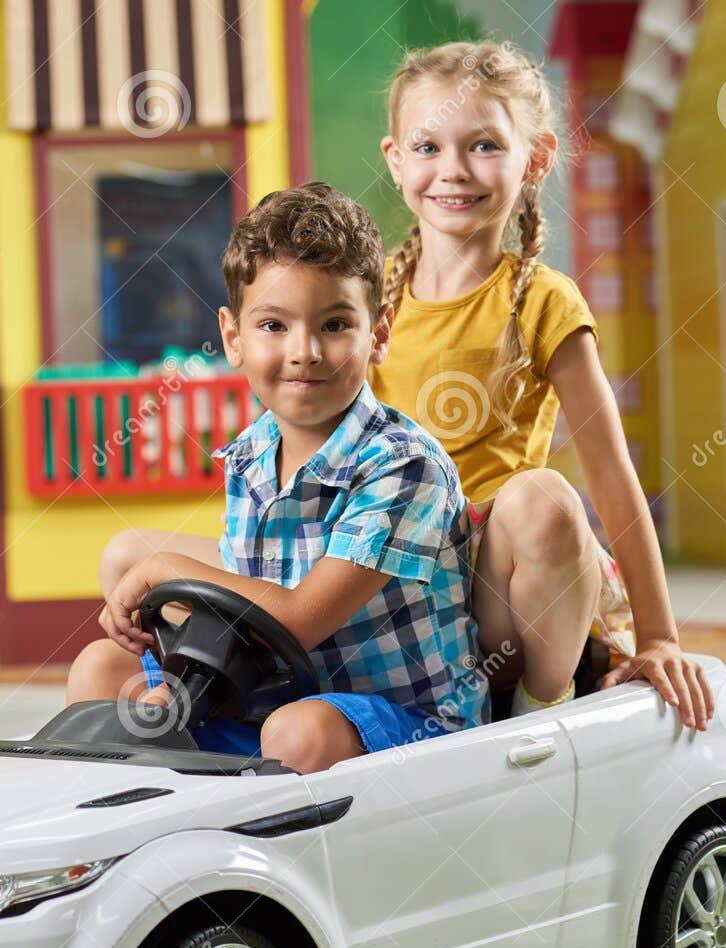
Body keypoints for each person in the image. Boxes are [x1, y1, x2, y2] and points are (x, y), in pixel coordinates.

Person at [102, 41, 715, 732]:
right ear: (396, 160)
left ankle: (540, 711)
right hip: (360, 554)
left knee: (542, 498)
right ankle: (223, 694)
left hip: (484, 583)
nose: (452, 170)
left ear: (536, 159)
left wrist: (661, 635)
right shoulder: (361, 295)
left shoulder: (541, 300)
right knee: (129, 554)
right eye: (428, 147)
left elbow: (611, 477)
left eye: (484, 145)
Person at [66, 182, 485, 773]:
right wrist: (173, 670)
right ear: (233, 338)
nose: (304, 351)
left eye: (336, 324)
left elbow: (295, 619)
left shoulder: (404, 465)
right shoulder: (252, 455)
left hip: (405, 718)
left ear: (379, 334)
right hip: (273, 699)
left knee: (298, 731)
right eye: (273, 326)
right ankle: (148, 820)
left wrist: (161, 570)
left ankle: (254, 829)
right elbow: (245, 608)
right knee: (99, 668)